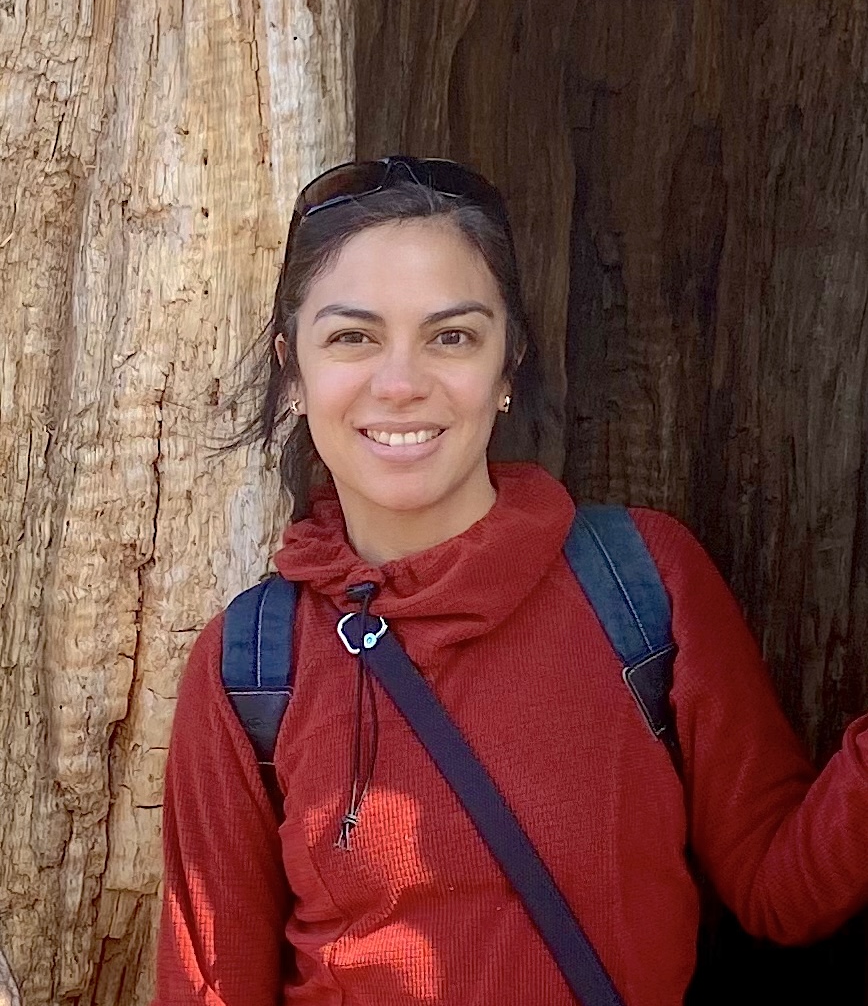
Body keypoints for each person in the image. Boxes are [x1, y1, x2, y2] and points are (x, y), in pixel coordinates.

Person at [153, 157, 868, 1006]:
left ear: (509, 365)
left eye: (452, 336)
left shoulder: (639, 586)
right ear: (294, 373)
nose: (401, 382)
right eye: (353, 337)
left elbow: (781, 887)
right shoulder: (250, 669)